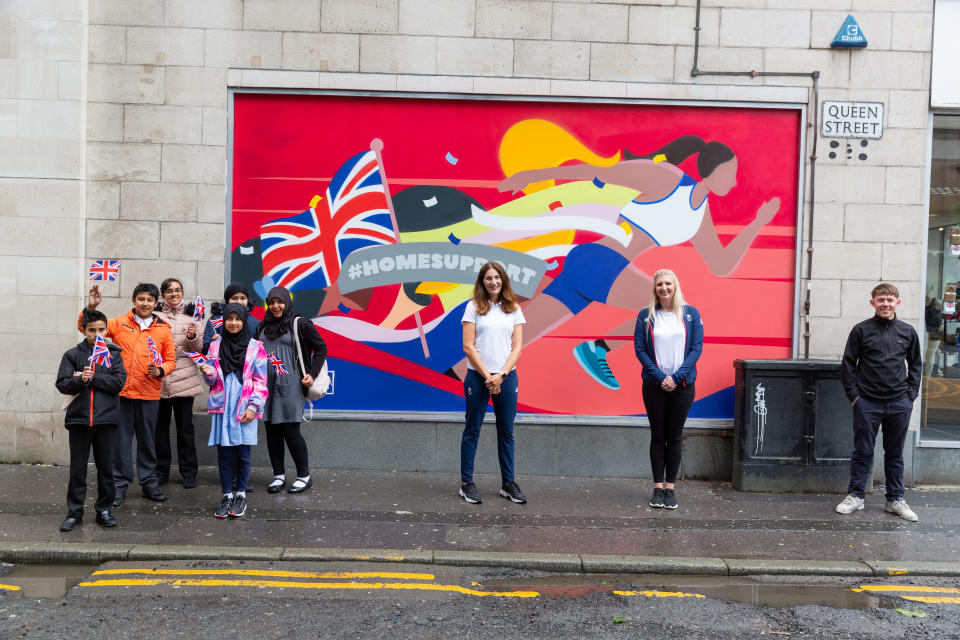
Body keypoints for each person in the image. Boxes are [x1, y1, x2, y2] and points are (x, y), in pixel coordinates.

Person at [464, 135, 778, 391]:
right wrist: (534, 176)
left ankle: (452, 374)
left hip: (596, 272)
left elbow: (721, 264)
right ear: (715, 169)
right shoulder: (669, 179)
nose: (736, 182)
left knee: (520, 337)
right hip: (600, 262)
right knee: (667, 306)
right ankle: (598, 348)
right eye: (732, 173)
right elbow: (601, 173)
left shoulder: (700, 214)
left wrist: (757, 224)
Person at [84, 283, 176, 506]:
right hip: (122, 393)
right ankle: (119, 485)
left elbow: (171, 360)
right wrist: (91, 307)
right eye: (141, 299)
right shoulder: (118, 323)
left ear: (156, 303)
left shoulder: (163, 329)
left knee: (147, 442)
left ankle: (149, 484)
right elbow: (88, 328)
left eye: (150, 300)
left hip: (149, 393)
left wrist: (161, 370)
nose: (145, 303)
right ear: (134, 300)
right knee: (120, 443)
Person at [837, 283, 922, 522]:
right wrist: (855, 397)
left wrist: (910, 396)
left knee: (894, 453)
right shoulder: (861, 330)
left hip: (899, 403)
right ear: (872, 302)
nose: (886, 304)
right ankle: (856, 496)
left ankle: (895, 500)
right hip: (867, 403)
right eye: (881, 299)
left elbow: (916, 364)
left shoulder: (907, 331)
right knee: (862, 451)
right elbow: (847, 365)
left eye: (890, 300)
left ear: (898, 303)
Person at [633, 269, 703, 510]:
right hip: (654, 386)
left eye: (668, 284)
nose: (664, 288)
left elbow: (696, 348)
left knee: (674, 437)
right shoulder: (645, 316)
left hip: (682, 386)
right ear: (655, 288)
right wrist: (662, 377)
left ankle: (670, 489)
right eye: (660, 284)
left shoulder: (691, 314)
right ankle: (657, 488)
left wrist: (676, 377)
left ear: (675, 286)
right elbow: (640, 350)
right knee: (657, 436)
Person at [459, 262, 527, 505]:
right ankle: (467, 483)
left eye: (497, 277)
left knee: (506, 431)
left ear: (503, 280)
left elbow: (517, 347)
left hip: (506, 378)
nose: (493, 282)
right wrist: (488, 376)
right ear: (482, 281)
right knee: (472, 429)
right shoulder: (473, 307)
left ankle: (508, 484)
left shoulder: (514, 309)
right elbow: (468, 346)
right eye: (488, 278)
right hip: (478, 377)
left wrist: (502, 375)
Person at [55, 309, 127, 531]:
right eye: (91, 330)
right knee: (78, 469)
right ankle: (74, 512)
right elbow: (62, 383)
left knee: (106, 468)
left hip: (106, 419)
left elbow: (119, 382)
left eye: (100, 330)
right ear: (84, 330)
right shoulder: (72, 355)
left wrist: (93, 377)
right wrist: (79, 381)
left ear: (107, 330)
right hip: (79, 419)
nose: (96, 334)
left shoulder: (113, 353)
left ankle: (104, 510)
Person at [198, 304, 267, 518]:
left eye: (238, 319)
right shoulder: (216, 346)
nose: (233, 323)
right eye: (229, 319)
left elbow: (261, 380)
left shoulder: (256, 347)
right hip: (222, 406)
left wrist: (253, 407)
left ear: (244, 321)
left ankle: (241, 496)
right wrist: (207, 372)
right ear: (224, 320)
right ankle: (227, 495)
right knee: (224, 454)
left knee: (243, 455)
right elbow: (212, 379)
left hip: (245, 406)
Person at [256, 286, 327, 494]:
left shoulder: (300, 323)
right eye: (272, 302)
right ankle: (278, 475)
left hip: (291, 385)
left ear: (287, 302)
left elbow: (321, 347)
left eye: (280, 301)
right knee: (271, 431)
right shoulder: (263, 326)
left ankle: (304, 476)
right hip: (266, 385)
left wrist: (312, 374)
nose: (276, 306)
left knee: (291, 432)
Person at [154, 278, 203, 489]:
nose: (174, 294)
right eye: (169, 291)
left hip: (184, 377)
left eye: (177, 290)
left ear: (183, 293)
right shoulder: (154, 317)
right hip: (160, 378)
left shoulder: (193, 316)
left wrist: (192, 337)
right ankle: (161, 472)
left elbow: (200, 349)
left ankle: (189, 472)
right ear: (163, 294)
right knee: (160, 429)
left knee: (185, 429)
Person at [203, 282, 260, 355]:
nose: (239, 302)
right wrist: (213, 343)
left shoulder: (255, 323)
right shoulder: (215, 321)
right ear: (227, 300)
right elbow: (205, 350)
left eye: (243, 298)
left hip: (247, 364)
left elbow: (259, 351)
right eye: (234, 298)